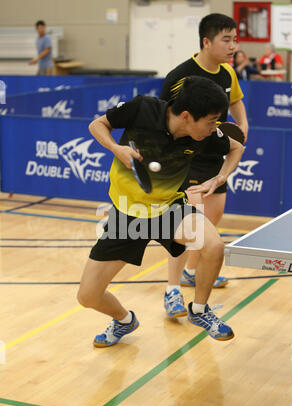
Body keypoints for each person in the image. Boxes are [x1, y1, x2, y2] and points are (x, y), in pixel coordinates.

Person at [77, 77, 244, 347]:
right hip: (126, 216)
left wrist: (220, 178)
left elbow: (236, 148)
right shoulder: (142, 109)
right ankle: (123, 320)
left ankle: (200, 311)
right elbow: (97, 125)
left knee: (214, 246)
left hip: (169, 210)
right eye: (211, 120)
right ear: (187, 116)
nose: (215, 127)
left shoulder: (205, 136)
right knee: (88, 296)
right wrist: (116, 148)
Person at [160, 13, 249, 317]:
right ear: (206, 41)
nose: (233, 45)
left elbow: (235, 100)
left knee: (213, 216)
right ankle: (172, 290)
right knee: (185, 225)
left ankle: (191, 271)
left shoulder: (227, 73)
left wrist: (243, 123)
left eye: (235, 39)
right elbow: (165, 118)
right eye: (227, 39)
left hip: (215, 155)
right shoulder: (179, 76)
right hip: (185, 159)